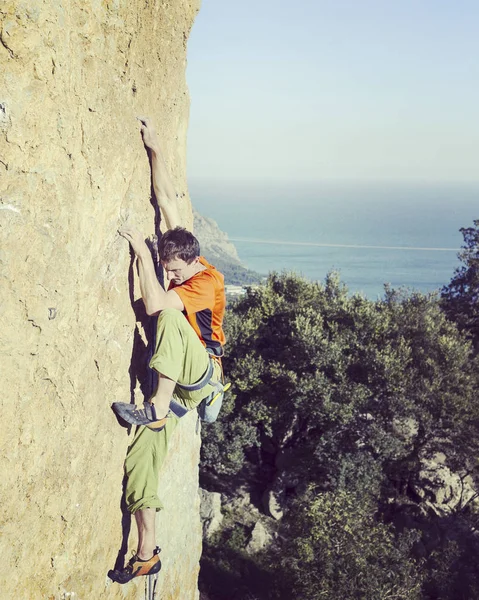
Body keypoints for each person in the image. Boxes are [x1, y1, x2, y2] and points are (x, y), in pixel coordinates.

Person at [110, 118, 226, 584]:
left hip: (199, 379)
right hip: (176, 387)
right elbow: (168, 201)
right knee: (140, 462)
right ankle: (145, 552)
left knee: (171, 319)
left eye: (175, 269)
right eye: (166, 266)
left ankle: (155, 407)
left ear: (192, 261)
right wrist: (156, 150)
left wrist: (140, 253)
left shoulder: (205, 281)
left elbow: (157, 305)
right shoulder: (183, 245)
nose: (170, 274)